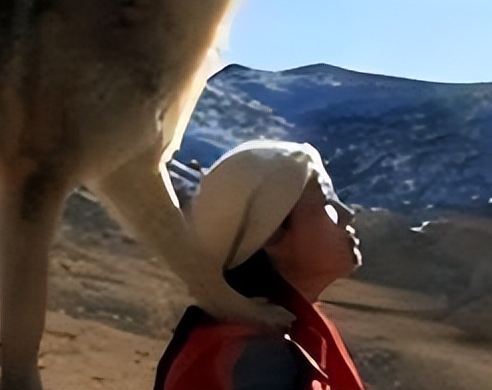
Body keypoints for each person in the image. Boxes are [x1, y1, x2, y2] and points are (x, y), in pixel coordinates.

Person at [154, 140, 366, 390]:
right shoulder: (260, 362)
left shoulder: (261, 341)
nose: (347, 214)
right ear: (272, 235)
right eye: (328, 207)